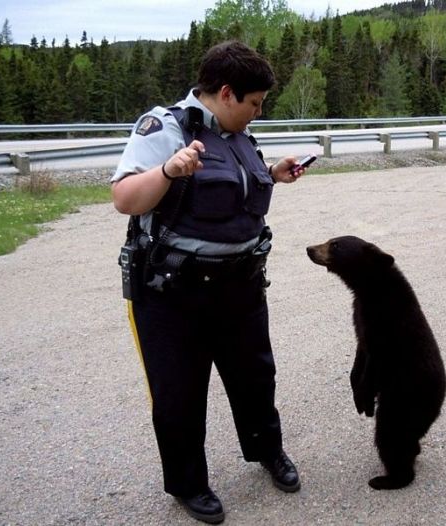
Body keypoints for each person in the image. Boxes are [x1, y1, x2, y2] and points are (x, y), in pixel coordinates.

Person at [111, 40, 308, 525]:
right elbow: (124, 198)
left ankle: (267, 452)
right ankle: (188, 484)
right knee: (179, 392)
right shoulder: (165, 128)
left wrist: (271, 174)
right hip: (173, 293)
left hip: (239, 287)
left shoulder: (237, 133)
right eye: (255, 103)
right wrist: (166, 170)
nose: (258, 113)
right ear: (225, 93)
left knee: (255, 378)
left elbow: (228, 191)